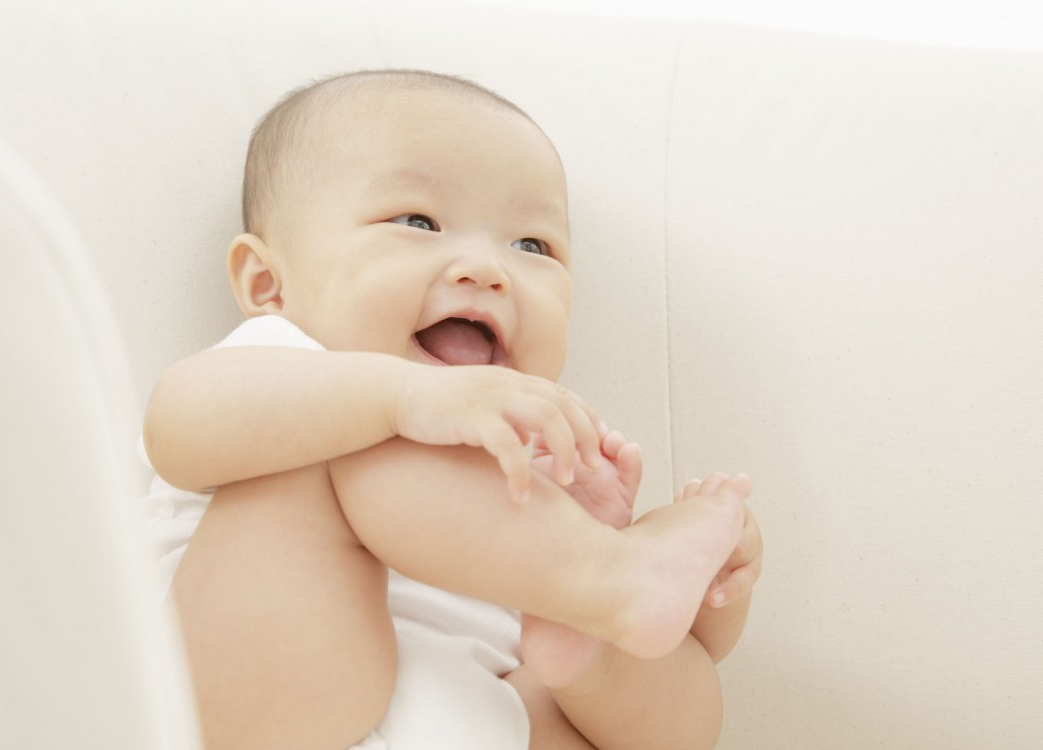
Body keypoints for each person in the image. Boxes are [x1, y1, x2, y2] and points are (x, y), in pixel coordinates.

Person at [142, 69, 763, 750]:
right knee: (351, 442)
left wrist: (699, 600)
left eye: (531, 246)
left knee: (632, 679)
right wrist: (404, 399)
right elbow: (175, 424)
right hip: (258, 719)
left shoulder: (545, 473)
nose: (487, 268)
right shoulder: (281, 365)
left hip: (476, 725)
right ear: (269, 284)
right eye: (418, 222)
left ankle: (612, 606)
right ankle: (616, 582)